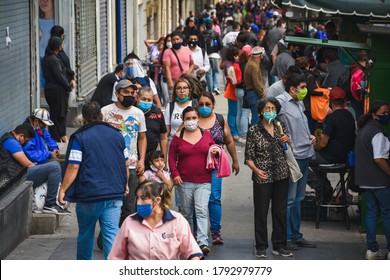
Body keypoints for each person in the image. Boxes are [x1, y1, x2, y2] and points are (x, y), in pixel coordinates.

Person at [58, 101, 128, 260]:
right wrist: (124, 184)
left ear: (84, 119)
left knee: (86, 234)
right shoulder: (117, 135)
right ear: (102, 116)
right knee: (111, 234)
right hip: (114, 193)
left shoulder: (80, 137)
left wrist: (63, 190)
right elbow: (124, 163)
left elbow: (73, 166)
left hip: (89, 195)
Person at [245, 97, 292, 258]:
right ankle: (261, 246)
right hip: (262, 176)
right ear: (260, 112)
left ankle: (280, 244)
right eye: (267, 109)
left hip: (281, 174)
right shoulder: (253, 131)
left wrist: (287, 140)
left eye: (273, 109)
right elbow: (248, 158)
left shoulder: (281, 126)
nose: (270, 111)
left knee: (280, 211)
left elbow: (287, 149)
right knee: (261, 211)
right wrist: (256, 170)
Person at [108, 180, 203, 260]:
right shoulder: (129, 222)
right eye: (138, 198)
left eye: (143, 199)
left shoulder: (177, 221)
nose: (138, 203)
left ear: (157, 200)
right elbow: (115, 257)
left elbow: (193, 252)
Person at [275, 73, 317, 250]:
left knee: (299, 198)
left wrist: (310, 136)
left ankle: (296, 234)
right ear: (292, 89)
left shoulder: (298, 102)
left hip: (306, 153)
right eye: (302, 87)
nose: (305, 90)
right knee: (290, 199)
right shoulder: (281, 102)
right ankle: (284, 237)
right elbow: (268, 119)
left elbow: (301, 124)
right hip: (293, 156)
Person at [169, 106, 217, 255]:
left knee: (201, 210)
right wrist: (175, 174)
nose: (191, 121)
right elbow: (171, 157)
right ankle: (188, 242)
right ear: (183, 120)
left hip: (204, 180)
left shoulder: (206, 135)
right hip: (184, 181)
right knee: (187, 212)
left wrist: (215, 151)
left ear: (198, 119)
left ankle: (202, 242)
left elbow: (214, 150)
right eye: (187, 118)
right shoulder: (178, 137)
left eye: (193, 118)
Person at [101, 79, 147, 224]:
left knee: (129, 205)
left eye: (132, 92)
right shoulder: (105, 111)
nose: (130, 95)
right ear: (117, 94)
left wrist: (142, 160)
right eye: (125, 92)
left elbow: (142, 138)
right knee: (109, 204)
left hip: (132, 166)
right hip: (109, 165)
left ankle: (125, 236)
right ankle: (107, 237)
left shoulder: (138, 113)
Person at [197, 92, 239, 245]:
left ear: (213, 104)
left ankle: (215, 231)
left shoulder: (220, 120)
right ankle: (197, 230)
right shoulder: (192, 120)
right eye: (201, 104)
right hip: (195, 168)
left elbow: (229, 141)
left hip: (215, 167)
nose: (204, 107)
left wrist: (235, 161)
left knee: (214, 198)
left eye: (207, 104)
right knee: (197, 200)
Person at [0, 124, 69, 215]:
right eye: (26, 141)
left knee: (55, 164)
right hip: (14, 178)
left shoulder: (9, 139)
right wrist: (39, 169)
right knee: (54, 168)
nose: (25, 144)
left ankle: (55, 199)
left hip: (18, 174)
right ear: (21, 136)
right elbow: (27, 164)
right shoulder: (11, 142)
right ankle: (50, 204)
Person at [355, 100, 390, 260]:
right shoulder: (377, 133)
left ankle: (372, 249)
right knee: (387, 213)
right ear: (375, 115)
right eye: (383, 113)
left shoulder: (363, 128)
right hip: (379, 180)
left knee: (370, 212)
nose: (386, 116)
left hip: (365, 179)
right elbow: (379, 158)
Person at [308, 87, 356, 195]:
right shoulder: (350, 116)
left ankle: (321, 186)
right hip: (344, 158)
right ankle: (324, 185)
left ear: (330, 101)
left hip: (330, 158)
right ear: (344, 101)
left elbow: (322, 143)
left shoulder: (332, 117)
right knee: (314, 162)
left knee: (301, 160)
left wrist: (314, 146)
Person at [41, 36, 73, 143]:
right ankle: (56, 136)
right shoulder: (54, 59)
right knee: (58, 114)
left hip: (50, 90)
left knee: (55, 113)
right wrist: (68, 87)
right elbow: (59, 75)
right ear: (58, 46)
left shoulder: (47, 57)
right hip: (57, 91)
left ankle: (57, 136)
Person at [50, 25, 77, 109]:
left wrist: (72, 78)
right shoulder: (55, 54)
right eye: (62, 35)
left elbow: (66, 65)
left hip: (65, 85)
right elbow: (61, 69)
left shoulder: (60, 51)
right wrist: (67, 86)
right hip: (60, 89)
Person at [137, 86, 168, 158]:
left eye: (149, 100)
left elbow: (163, 138)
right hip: (134, 156)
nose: (146, 102)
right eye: (144, 99)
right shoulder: (132, 111)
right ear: (137, 98)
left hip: (152, 157)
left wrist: (164, 160)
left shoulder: (157, 113)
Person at [244, 46, 266, 126]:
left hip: (251, 93)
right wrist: (262, 94)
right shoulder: (254, 66)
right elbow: (256, 83)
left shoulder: (250, 63)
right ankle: (253, 135)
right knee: (256, 117)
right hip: (254, 94)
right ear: (260, 55)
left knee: (254, 115)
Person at [202, 20, 223, 95]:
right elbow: (221, 44)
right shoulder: (216, 34)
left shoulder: (202, 34)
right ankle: (216, 87)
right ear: (212, 25)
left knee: (208, 73)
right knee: (216, 72)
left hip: (206, 56)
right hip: (215, 55)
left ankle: (210, 90)